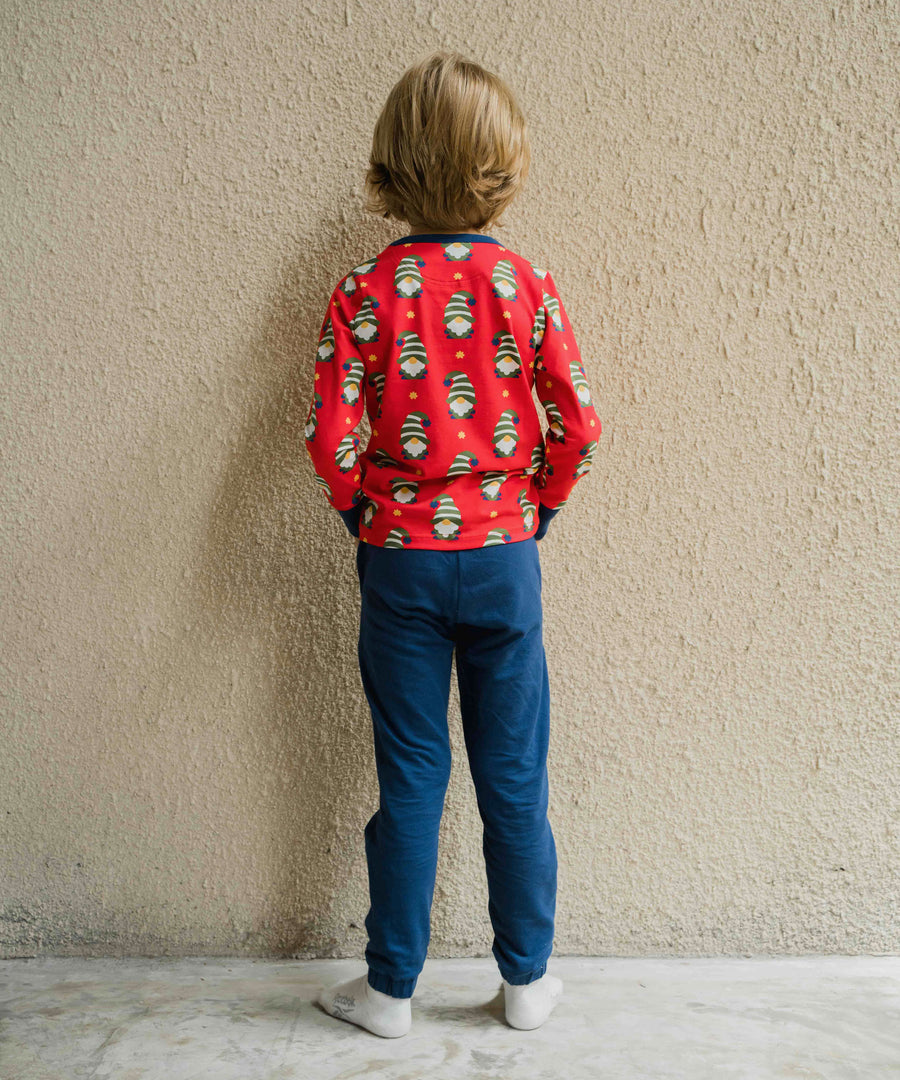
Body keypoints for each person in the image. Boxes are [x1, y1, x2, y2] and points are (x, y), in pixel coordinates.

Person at [306, 49, 601, 1038]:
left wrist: (365, 513)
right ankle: (525, 981)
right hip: (506, 558)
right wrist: (537, 509)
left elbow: (330, 436)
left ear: (390, 170)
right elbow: (579, 424)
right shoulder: (526, 283)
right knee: (514, 780)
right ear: (504, 169)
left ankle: (390, 988)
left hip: (400, 563)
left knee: (413, 777)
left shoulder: (364, 291)